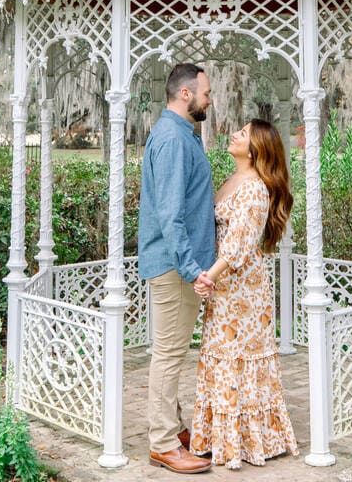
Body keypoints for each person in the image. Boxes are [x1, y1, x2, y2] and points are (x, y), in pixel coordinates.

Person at [189, 119, 299, 469]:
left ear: (255, 150)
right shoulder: (233, 180)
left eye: (243, 133)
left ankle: (245, 442)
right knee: (222, 356)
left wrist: (207, 277)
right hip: (225, 287)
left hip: (242, 292)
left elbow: (238, 246)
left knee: (237, 359)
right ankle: (222, 437)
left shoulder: (253, 189)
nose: (235, 134)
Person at [138, 63, 217, 475]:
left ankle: (175, 428)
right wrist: (191, 268)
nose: (209, 98)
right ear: (185, 94)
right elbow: (170, 214)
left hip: (180, 264)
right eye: (205, 92)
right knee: (168, 356)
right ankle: (163, 444)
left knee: (173, 353)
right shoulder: (172, 139)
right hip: (174, 266)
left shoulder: (184, 136)